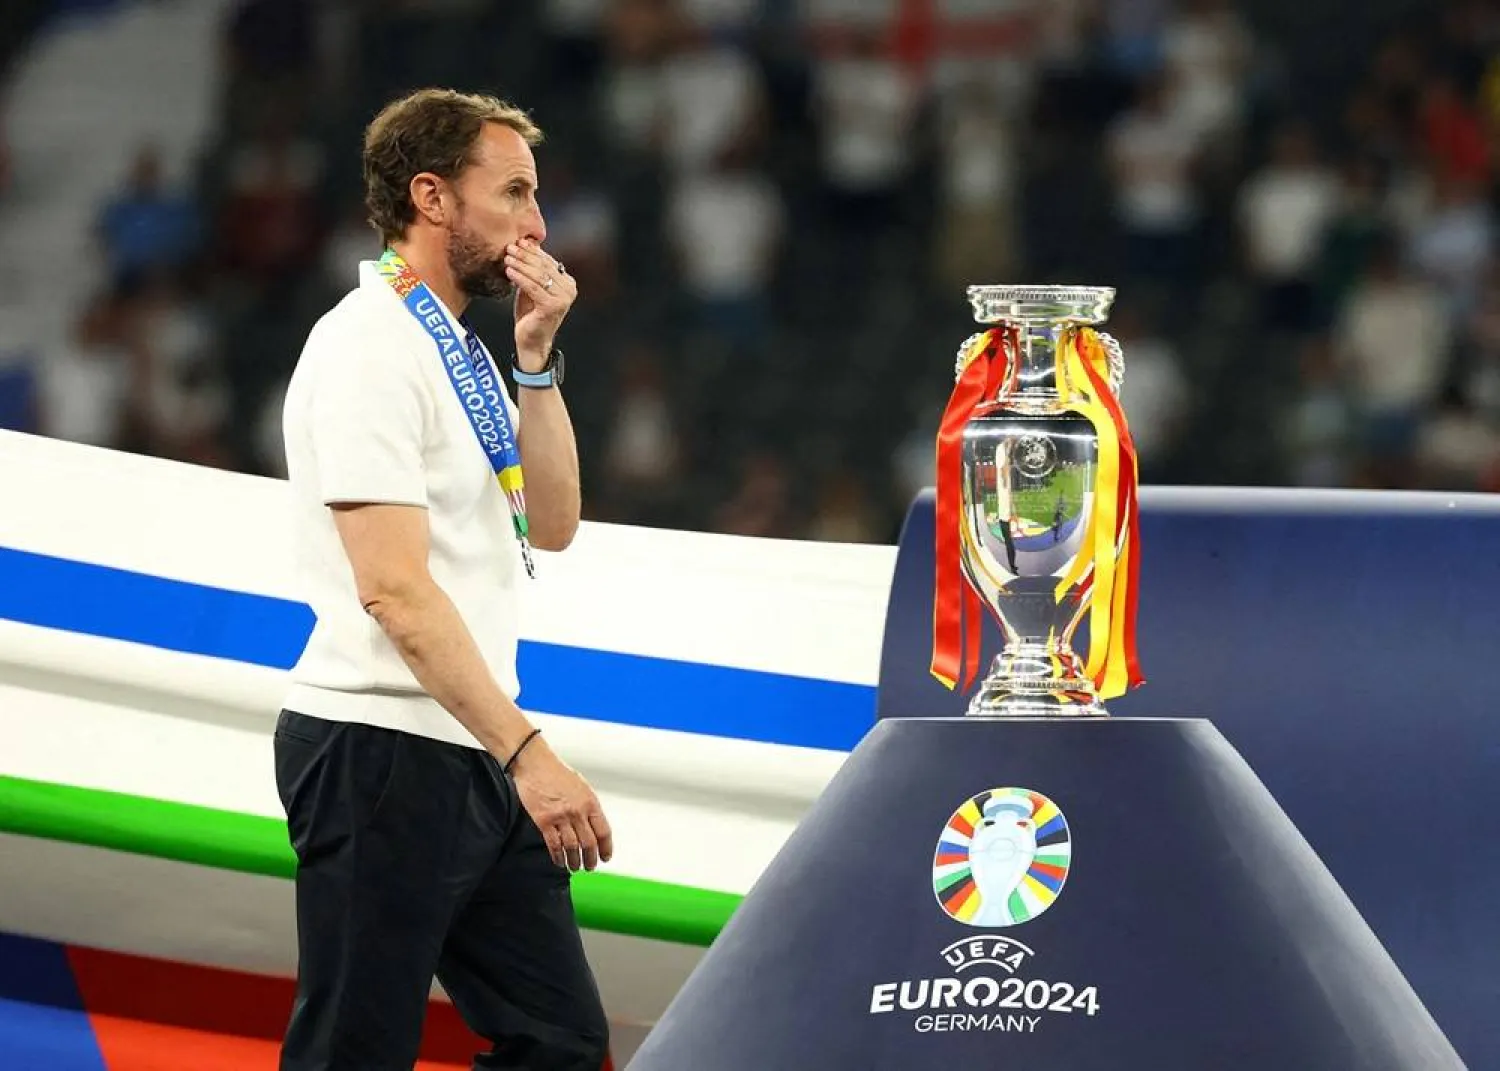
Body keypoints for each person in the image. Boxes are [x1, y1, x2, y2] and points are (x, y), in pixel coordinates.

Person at [273, 87, 614, 1070]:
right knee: (354, 1049)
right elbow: (393, 589)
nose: (538, 225)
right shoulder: (368, 347)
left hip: (466, 744)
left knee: (558, 1040)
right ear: (432, 197)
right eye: (512, 193)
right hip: (378, 747)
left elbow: (551, 523)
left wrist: (537, 363)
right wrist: (530, 757)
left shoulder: (454, 348)